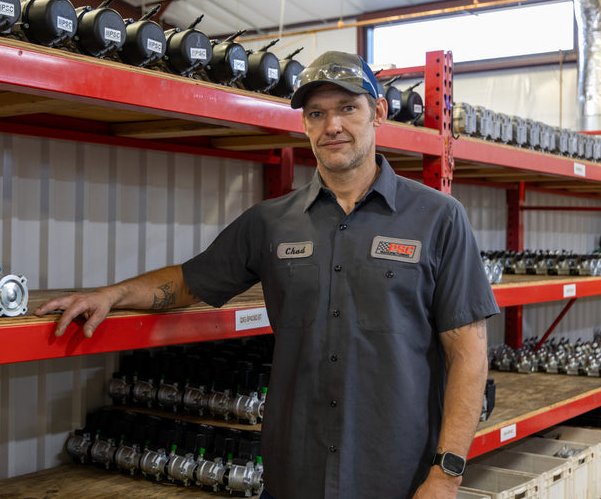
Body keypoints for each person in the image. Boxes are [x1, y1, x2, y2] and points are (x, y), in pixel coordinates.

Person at [36, 51, 499, 499]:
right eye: (316, 114)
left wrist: (447, 474)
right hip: (293, 475)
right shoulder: (270, 223)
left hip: (399, 477)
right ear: (304, 124)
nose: (332, 125)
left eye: (347, 108)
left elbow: (468, 355)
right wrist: (111, 295)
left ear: (378, 112)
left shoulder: (438, 218)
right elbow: (190, 280)